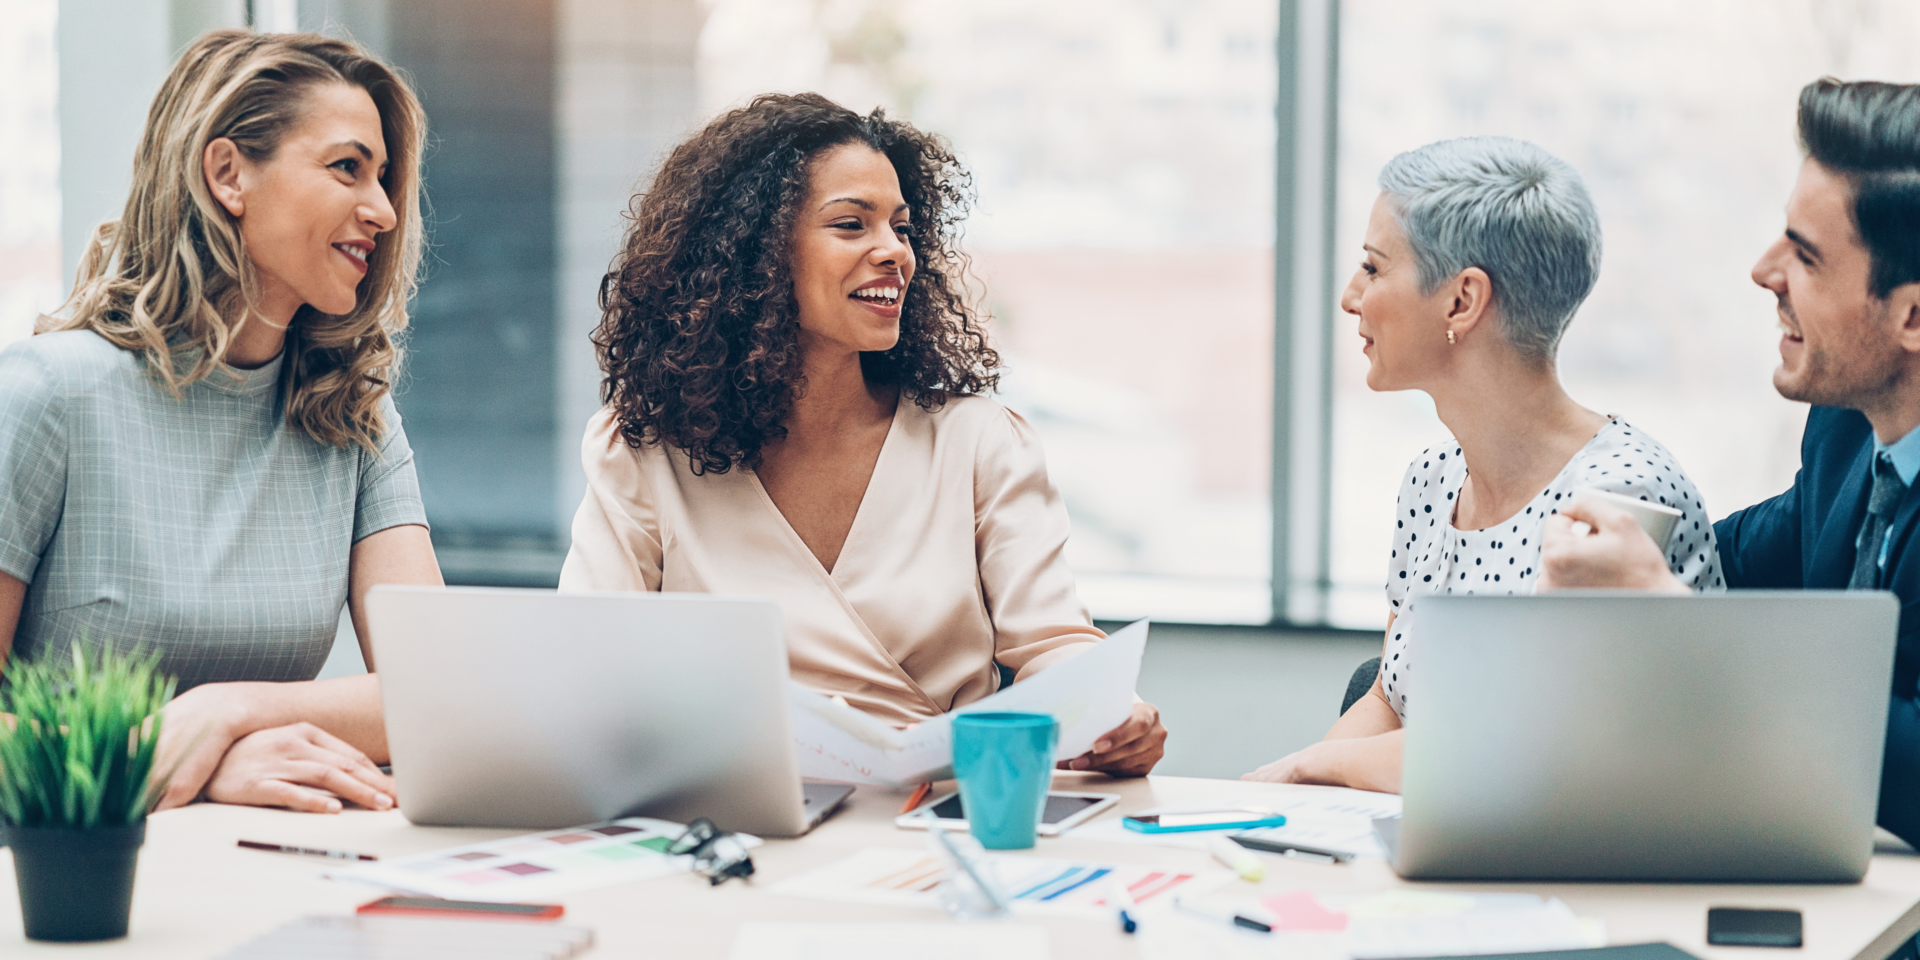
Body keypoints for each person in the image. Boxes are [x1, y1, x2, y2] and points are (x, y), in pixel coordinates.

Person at [559, 93, 1167, 775]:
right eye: (851, 225)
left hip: (931, 816)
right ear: (753, 254)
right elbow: (590, 665)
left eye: (902, 229)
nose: (893, 254)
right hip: (733, 816)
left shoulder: (977, 441)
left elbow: (1053, 640)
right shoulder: (643, 449)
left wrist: (1112, 710)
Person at [0, 31, 442, 813]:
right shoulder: (46, 396)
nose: (381, 209)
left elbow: (443, 694)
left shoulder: (355, 418)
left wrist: (229, 713)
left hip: (264, 863)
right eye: (348, 167)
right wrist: (184, 769)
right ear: (228, 173)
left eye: (384, 177)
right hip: (64, 896)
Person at [1242, 137, 1723, 792]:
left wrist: (1310, 764)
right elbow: (1390, 696)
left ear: (1462, 301)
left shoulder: (1620, 496)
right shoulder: (1432, 480)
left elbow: (1516, 749)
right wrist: (1279, 801)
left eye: (1374, 268)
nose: (1352, 296)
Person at [1542, 79, 1920, 846]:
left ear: (1911, 314)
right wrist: (1623, 547)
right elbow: (1738, 557)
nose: (1763, 270)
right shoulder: (1845, 437)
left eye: (1806, 258)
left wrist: (1671, 619)